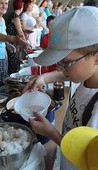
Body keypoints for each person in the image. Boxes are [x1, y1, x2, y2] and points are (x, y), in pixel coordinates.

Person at [23, 6, 98, 169]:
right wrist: (43, 78)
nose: (60, 68)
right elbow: (68, 73)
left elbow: (86, 157)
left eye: (66, 63)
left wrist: (51, 133)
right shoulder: (87, 76)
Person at [6, 0, 26, 75]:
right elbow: (20, 32)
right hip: (13, 44)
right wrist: (26, 42)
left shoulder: (12, 14)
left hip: (11, 43)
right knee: (14, 65)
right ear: (22, 7)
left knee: (13, 64)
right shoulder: (15, 16)